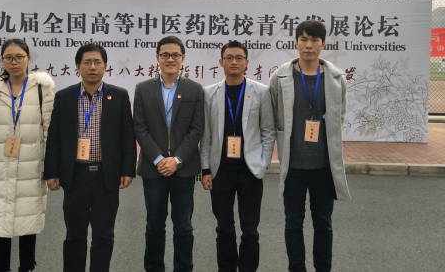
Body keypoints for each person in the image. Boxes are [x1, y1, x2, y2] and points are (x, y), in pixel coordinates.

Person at [43, 43, 136, 272]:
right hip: (76, 176)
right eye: (87, 62)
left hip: (106, 175)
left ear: (105, 66)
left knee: (104, 235)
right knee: (74, 235)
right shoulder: (64, 97)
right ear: (78, 67)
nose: (92, 67)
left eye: (97, 62)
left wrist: (127, 170)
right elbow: (54, 136)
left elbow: (127, 136)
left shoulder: (119, 96)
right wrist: (51, 172)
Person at [268, 20, 350, 272]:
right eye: (303, 39)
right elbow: (273, 115)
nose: (309, 45)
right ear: (296, 42)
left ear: (323, 44)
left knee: (323, 223)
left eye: (314, 40)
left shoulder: (336, 78)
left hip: (324, 165)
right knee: (293, 222)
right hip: (293, 164)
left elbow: (339, 117)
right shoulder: (280, 77)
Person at [0, 38, 55, 272]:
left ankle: (27, 267)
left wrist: (51, 168)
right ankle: (1, 268)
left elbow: (49, 131)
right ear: (3, 61)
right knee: (0, 221)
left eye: (19, 57)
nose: (14, 62)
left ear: (28, 58)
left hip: (31, 165)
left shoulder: (41, 88)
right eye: (8, 58)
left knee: (28, 221)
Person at [200, 40, 276, 272]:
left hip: (250, 171)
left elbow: (268, 130)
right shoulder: (209, 93)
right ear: (221, 62)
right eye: (229, 58)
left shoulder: (261, 92)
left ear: (246, 62)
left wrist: (263, 163)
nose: (234, 62)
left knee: (250, 230)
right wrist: (205, 169)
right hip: (220, 172)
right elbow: (206, 135)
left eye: (239, 58)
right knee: (224, 229)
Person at [134, 36, 205, 272]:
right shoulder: (143, 89)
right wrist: (159, 159)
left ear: (183, 58)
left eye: (175, 55)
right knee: (154, 226)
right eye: (165, 55)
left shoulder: (194, 89)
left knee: (184, 227)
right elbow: (140, 127)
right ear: (157, 58)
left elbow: (196, 129)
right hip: (153, 168)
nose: (170, 59)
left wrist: (176, 160)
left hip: (183, 168)